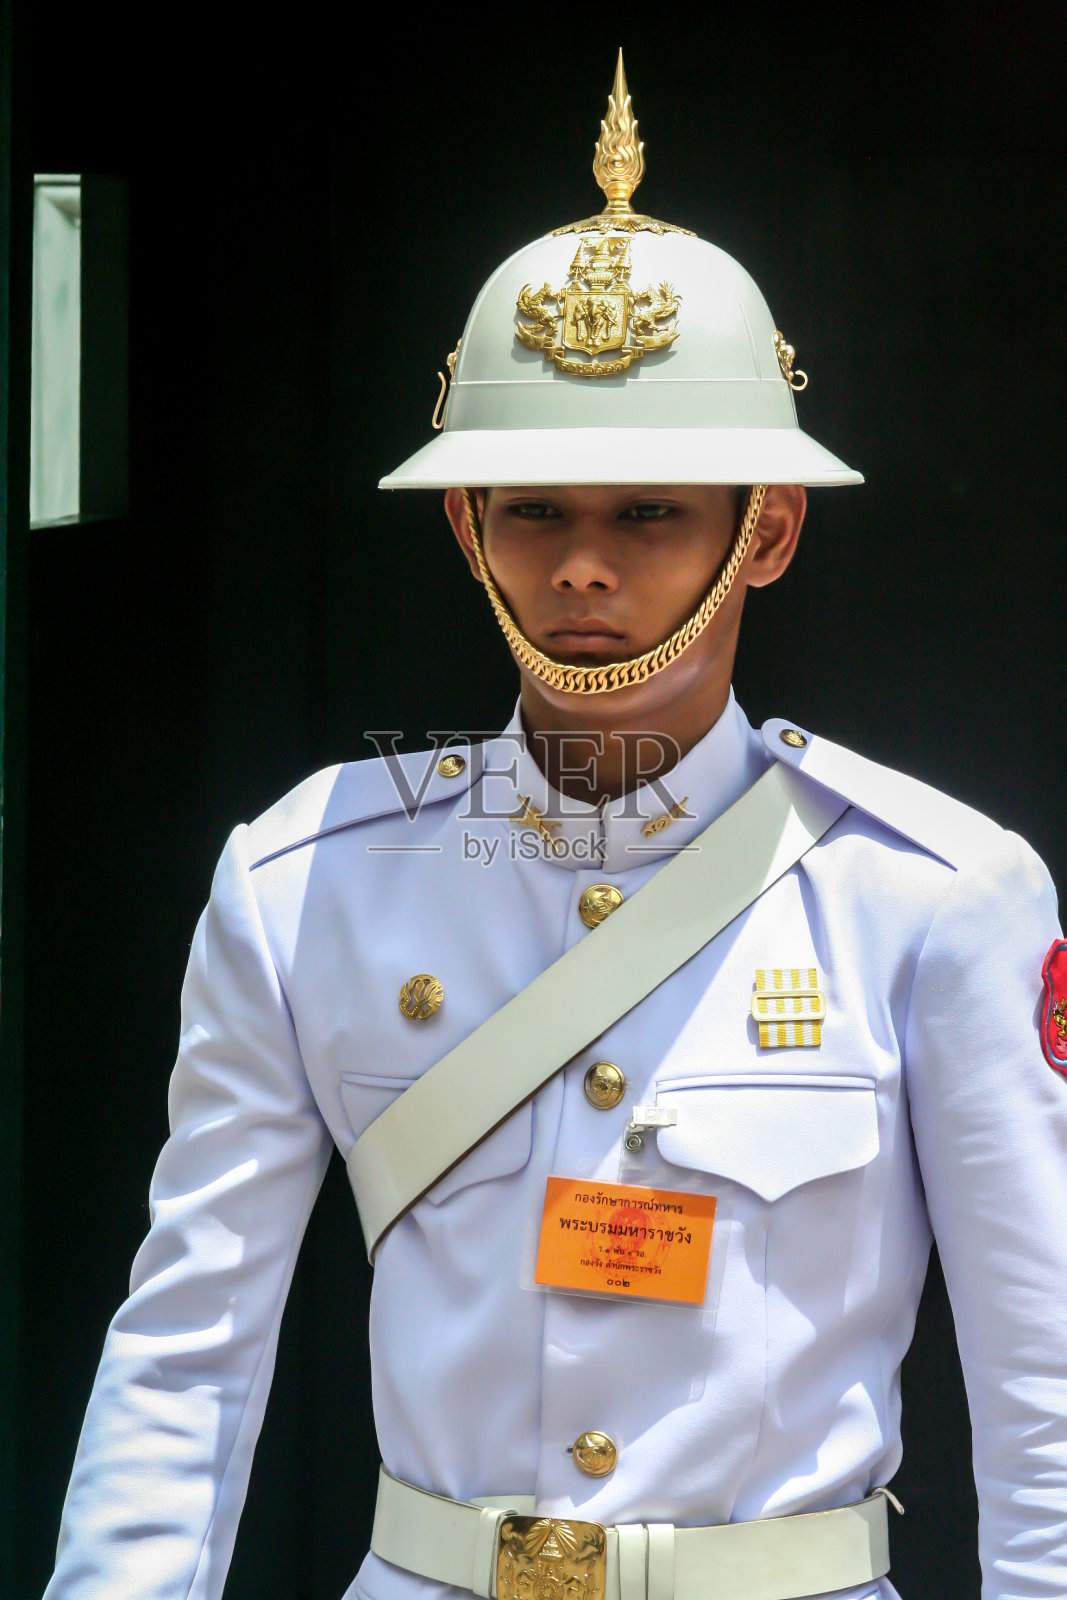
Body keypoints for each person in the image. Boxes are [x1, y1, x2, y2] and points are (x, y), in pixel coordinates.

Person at [45, 53, 1067, 1600]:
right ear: (468, 528)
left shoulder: (930, 897)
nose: (585, 566)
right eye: (536, 509)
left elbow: (1045, 1402)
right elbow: (185, 1362)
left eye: (648, 511)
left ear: (767, 530)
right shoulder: (305, 882)